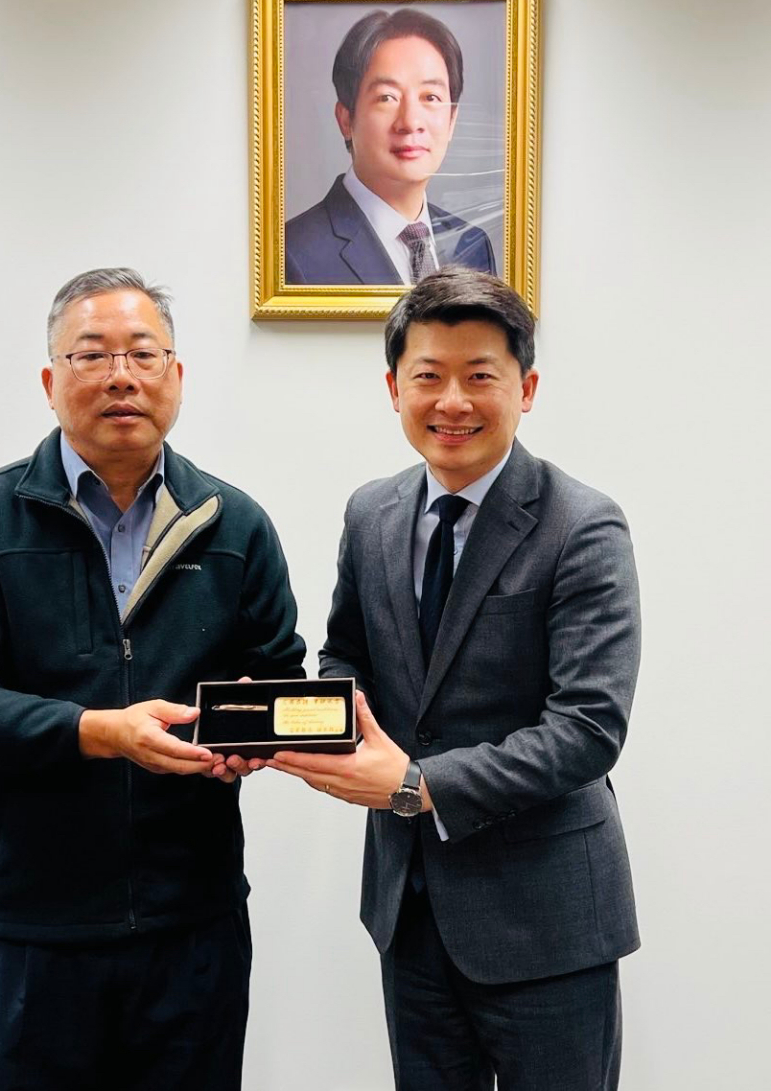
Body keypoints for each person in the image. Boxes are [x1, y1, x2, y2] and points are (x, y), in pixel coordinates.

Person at [0, 267, 305, 1091]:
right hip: (27, 933)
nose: (122, 376)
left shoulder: (234, 524)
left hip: (191, 930)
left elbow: (275, 680)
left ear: (176, 376)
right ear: (51, 383)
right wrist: (95, 732)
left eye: (143, 355)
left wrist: (250, 740)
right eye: (91, 355)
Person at [270, 268, 641, 1091]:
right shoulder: (371, 513)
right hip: (409, 907)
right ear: (393, 388)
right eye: (428, 376)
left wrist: (414, 784)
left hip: (547, 918)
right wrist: (316, 731)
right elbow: (344, 656)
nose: (452, 402)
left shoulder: (583, 525)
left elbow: (587, 730)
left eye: (480, 376)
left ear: (526, 389)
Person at [285, 7, 497, 286]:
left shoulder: (473, 246)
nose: (410, 122)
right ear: (346, 119)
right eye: (387, 97)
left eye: (430, 97)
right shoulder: (292, 255)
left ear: (452, 120)